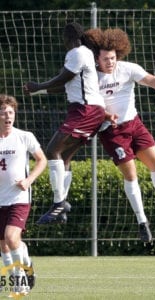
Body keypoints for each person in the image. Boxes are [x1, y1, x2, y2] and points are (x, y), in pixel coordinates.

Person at [85, 27, 155, 243]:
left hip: (135, 125)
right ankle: (142, 222)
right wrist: (106, 116)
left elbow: (152, 80)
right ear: (96, 58)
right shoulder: (90, 78)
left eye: (113, 58)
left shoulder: (127, 69)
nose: (110, 62)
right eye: (106, 59)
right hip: (112, 132)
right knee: (131, 175)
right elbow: (89, 107)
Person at [23, 22, 110, 225]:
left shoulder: (77, 52)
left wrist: (38, 85)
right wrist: (39, 91)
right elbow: (67, 86)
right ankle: (61, 207)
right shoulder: (84, 54)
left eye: (63, 38)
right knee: (64, 156)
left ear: (70, 37)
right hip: (89, 111)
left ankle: (58, 203)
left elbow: (63, 78)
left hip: (85, 111)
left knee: (52, 150)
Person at [0, 94, 47, 295]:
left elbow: (42, 160)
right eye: (3, 113)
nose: (7, 117)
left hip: (18, 198)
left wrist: (28, 181)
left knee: (11, 237)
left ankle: (20, 280)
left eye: (10, 112)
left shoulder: (24, 136)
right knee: (4, 244)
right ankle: (25, 268)